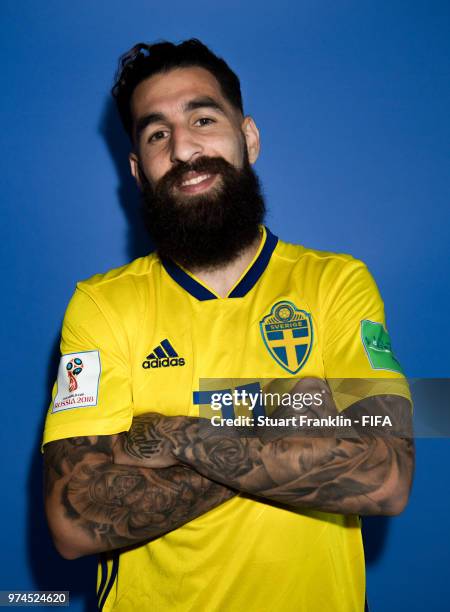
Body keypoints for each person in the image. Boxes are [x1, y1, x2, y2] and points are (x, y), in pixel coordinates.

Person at [42, 39, 414, 612]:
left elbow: (386, 473)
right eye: (157, 133)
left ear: (250, 138)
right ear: (139, 170)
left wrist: (170, 434)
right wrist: (293, 424)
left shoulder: (337, 283)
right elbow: (74, 519)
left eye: (203, 118)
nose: (185, 148)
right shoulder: (100, 306)